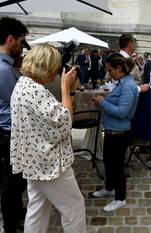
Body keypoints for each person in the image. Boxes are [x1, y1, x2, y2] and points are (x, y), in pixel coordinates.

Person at [10, 44, 86, 233]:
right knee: (74, 208)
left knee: (38, 209)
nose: (56, 73)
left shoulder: (22, 85)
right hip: (49, 163)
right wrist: (66, 88)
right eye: (54, 68)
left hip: (32, 160)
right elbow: (65, 121)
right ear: (45, 67)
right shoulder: (36, 91)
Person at [92, 53, 139, 212]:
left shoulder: (128, 86)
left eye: (110, 70)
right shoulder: (121, 83)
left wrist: (103, 102)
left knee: (117, 167)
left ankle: (120, 198)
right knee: (108, 162)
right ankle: (109, 188)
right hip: (112, 132)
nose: (108, 73)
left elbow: (123, 112)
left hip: (120, 134)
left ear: (119, 68)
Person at [0, 16, 28, 233]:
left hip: (7, 132)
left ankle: (17, 216)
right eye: (21, 41)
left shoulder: (7, 68)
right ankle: (12, 225)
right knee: (12, 182)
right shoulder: (5, 71)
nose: (22, 46)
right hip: (8, 134)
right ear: (11, 40)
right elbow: (20, 104)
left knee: (14, 181)